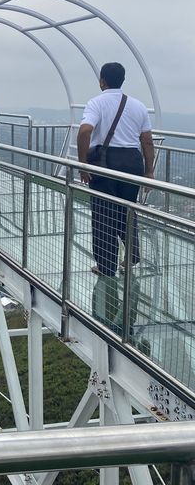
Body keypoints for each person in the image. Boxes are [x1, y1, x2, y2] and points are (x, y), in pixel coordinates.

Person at [77, 62, 154, 329]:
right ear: (122, 80)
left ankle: (106, 267)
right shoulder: (138, 106)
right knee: (126, 210)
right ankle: (131, 256)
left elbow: (85, 131)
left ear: (102, 81)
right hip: (132, 163)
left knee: (103, 214)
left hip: (106, 164)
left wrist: (83, 163)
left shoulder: (96, 103)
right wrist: (149, 172)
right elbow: (147, 140)